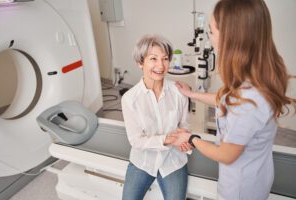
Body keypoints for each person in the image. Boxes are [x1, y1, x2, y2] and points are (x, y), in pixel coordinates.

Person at [171, 0, 296, 200]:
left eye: (211, 32)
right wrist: (192, 94)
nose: (209, 37)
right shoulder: (261, 74)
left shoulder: (248, 101)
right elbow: (228, 99)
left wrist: (191, 139)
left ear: (231, 39)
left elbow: (226, 155)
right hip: (258, 173)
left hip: (241, 189)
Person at [121, 34, 190, 200]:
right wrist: (166, 139)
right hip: (142, 161)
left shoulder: (179, 92)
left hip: (173, 161)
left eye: (165, 59)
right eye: (153, 59)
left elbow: (185, 125)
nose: (161, 65)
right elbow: (136, 140)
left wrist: (185, 139)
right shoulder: (130, 99)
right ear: (140, 62)